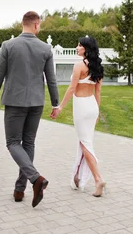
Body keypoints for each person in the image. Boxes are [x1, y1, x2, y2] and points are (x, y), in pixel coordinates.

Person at [0, 11, 60, 208]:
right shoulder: (45, 48)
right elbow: (51, 79)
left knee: (12, 143)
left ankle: (35, 179)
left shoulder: (8, 46)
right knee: (28, 144)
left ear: (24, 24)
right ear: (36, 25)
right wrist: (55, 103)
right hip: (36, 102)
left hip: (14, 101)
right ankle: (20, 190)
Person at [50, 36, 106, 197]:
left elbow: (72, 89)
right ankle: (78, 177)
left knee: (85, 143)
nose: (76, 47)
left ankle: (98, 179)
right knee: (85, 142)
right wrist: (97, 112)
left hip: (81, 107)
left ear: (86, 49)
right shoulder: (98, 67)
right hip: (92, 106)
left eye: (79, 45)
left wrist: (60, 107)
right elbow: (98, 92)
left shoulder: (79, 66)